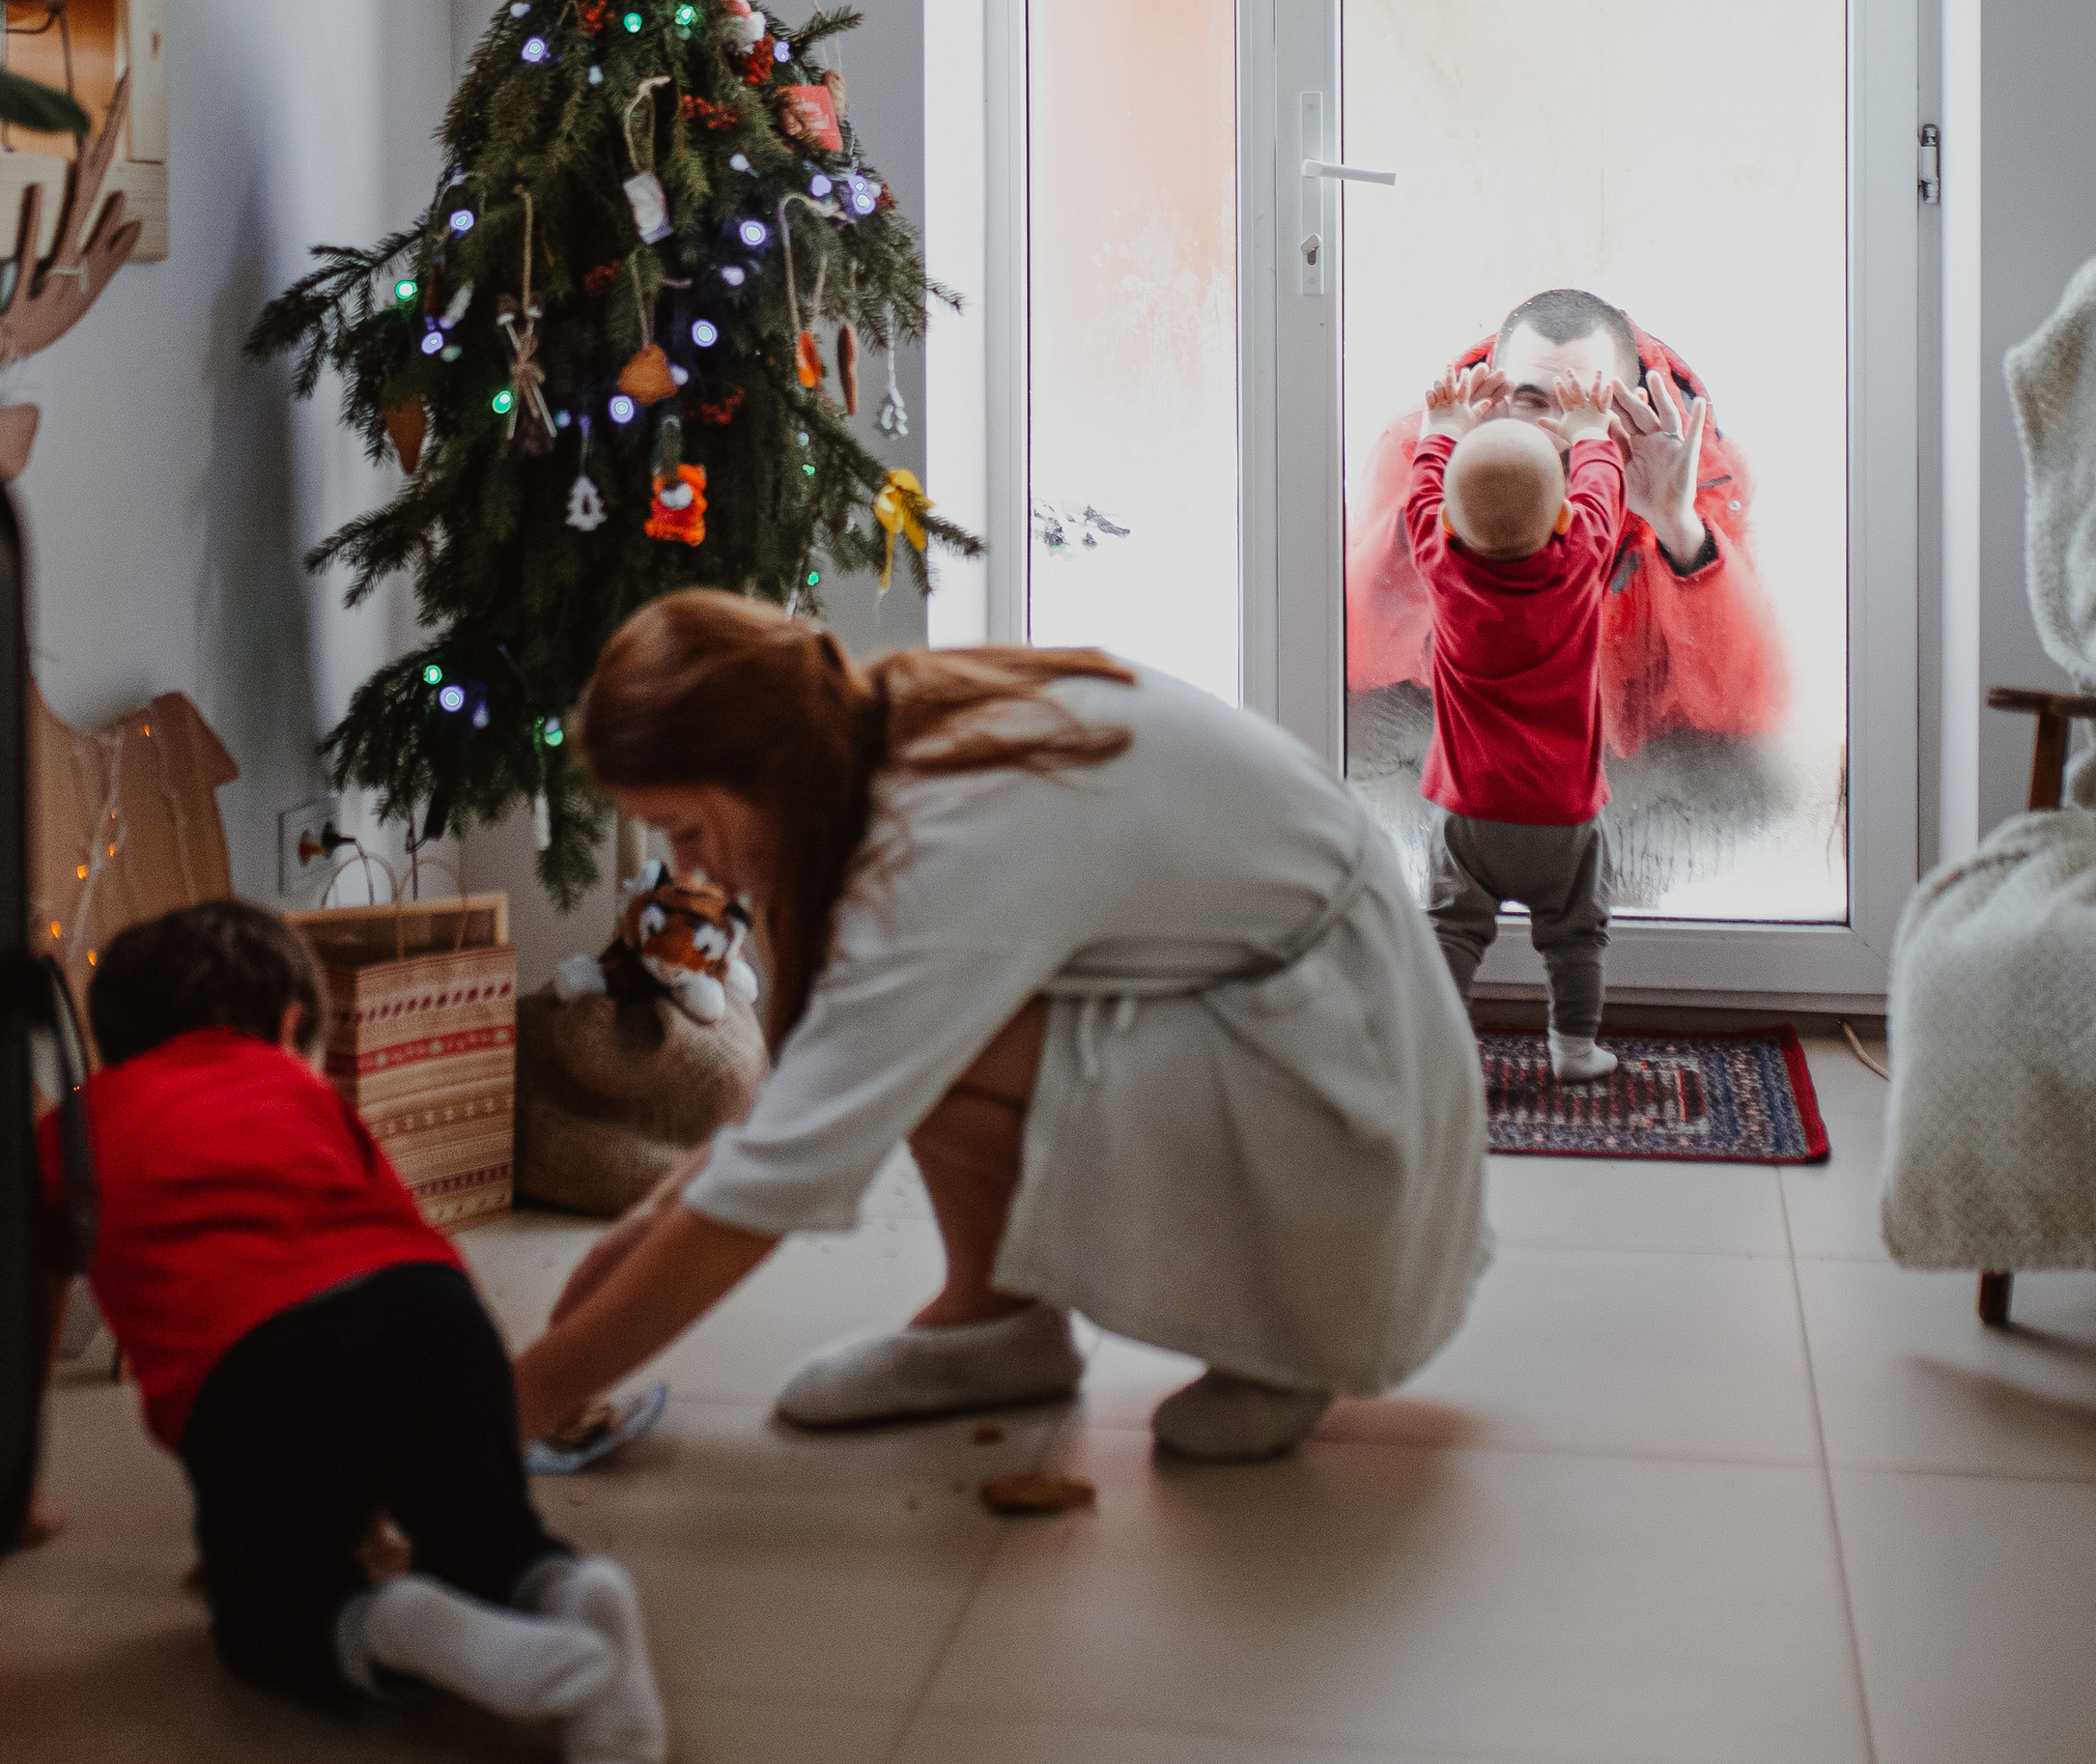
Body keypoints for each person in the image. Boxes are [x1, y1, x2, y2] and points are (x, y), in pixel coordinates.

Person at [511, 596, 1490, 1470]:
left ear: (755, 769)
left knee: (924, 1041)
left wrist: (516, 1405)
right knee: (911, 1034)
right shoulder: (888, 723)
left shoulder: (943, 836)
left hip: (1351, 1105)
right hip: (1308, 1024)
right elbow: (814, 1082)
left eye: (685, 828)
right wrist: (651, 1219)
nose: (690, 869)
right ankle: (992, 1326)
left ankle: (1289, 1332)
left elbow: (786, 1168)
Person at [36, 897, 666, 1764]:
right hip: (437, 1319)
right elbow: (393, 1243)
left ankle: (391, 1626)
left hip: (259, 1367)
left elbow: (31, 1285)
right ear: (290, 1025)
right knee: (484, 1534)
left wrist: (11, 1479)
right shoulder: (305, 1093)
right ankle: (569, 1592)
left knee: (267, 1612)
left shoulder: (76, 1126)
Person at [1346, 286, 1794, 903]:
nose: (1556, 434)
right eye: (1532, 401)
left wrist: (1678, 528)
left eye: (1587, 406)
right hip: (1464, 737)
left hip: (1616, 763)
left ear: (1634, 407)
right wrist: (1459, 506)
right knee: (1342, 740)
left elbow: (1748, 711)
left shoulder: (1695, 472)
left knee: (1752, 791)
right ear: (1494, 396)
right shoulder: (1425, 448)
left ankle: (1596, 918)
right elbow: (1349, 660)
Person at [1406, 360, 1628, 1083]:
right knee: (1576, 937)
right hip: (1564, 815)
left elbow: (1422, 496)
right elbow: (1601, 495)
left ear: (1447, 522)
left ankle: (1443, 1057)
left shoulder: (1442, 563)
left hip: (1469, 811)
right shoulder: (1581, 558)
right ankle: (1573, 1049)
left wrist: (1443, 428)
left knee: (1452, 932)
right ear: (1564, 518)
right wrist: (1590, 433)